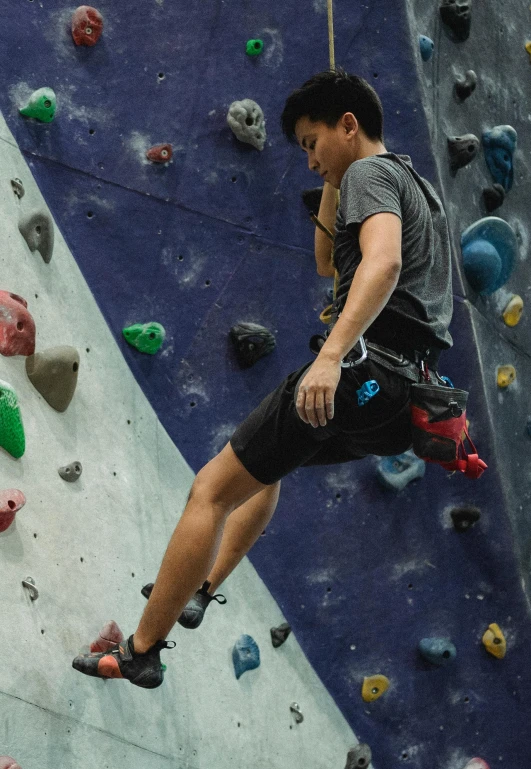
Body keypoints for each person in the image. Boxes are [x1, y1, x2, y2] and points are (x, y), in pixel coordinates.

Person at [72, 68, 453, 688]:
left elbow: (380, 265)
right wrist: (332, 177)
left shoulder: (370, 173)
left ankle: (142, 650)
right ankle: (202, 587)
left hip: (363, 367)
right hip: (401, 402)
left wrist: (331, 356)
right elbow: (329, 260)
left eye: (311, 142)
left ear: (347, 125)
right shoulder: (412, 187)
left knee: (211, 490)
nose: (308, 161)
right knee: (270, 466)